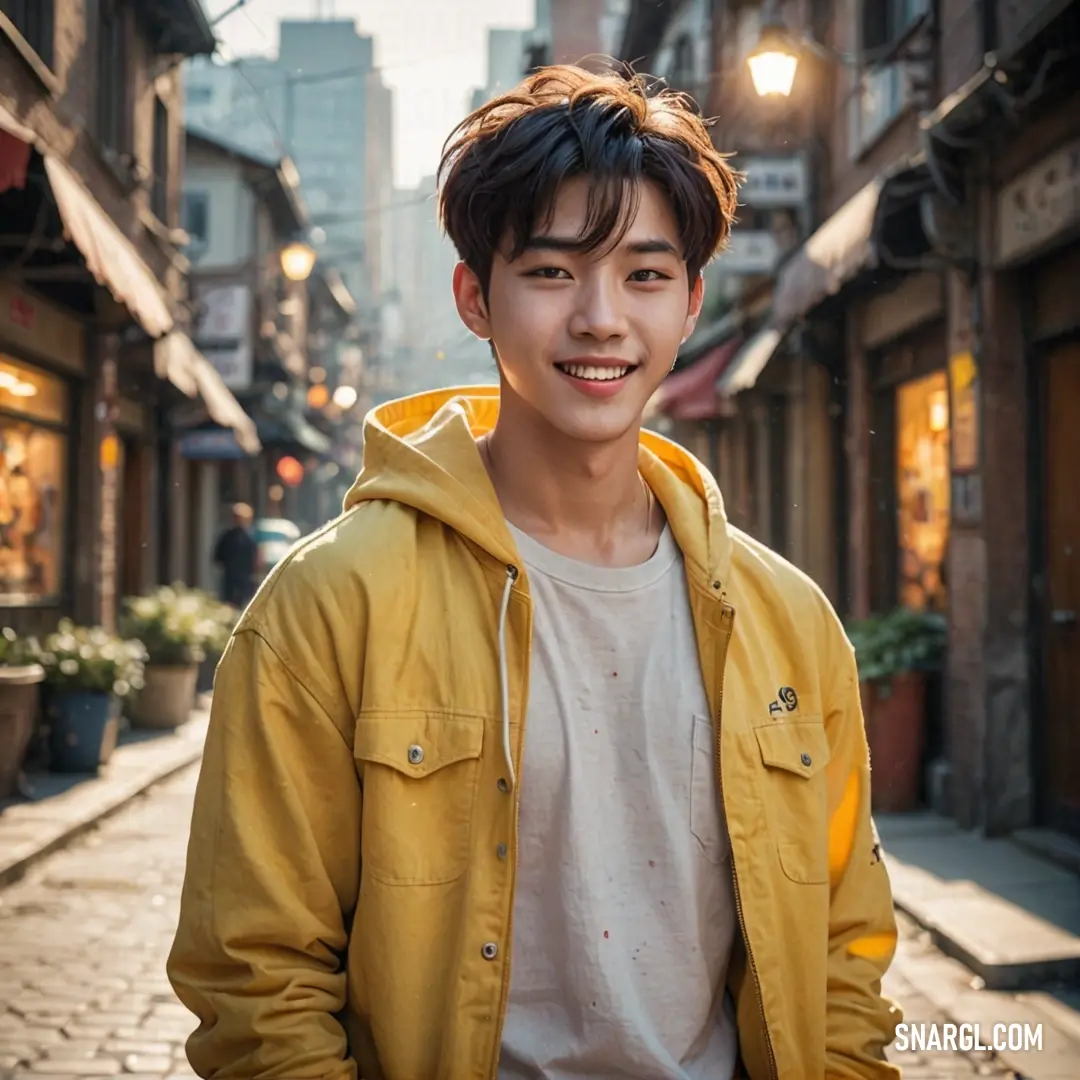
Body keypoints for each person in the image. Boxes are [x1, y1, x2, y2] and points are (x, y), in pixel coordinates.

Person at [168, 64, 902, 1079]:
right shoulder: (331, 602)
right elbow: (253, 973)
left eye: (646, 276)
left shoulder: (788, 620)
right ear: (476, 296)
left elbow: (845, 956)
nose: (601, 318)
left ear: (691, 303)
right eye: (553, 272)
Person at [212, 502, 257, 609]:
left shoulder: (246, 538)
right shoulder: (244, 538)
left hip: (238, 578)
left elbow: (218, 557)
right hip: (235, 578)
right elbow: (218, 556)